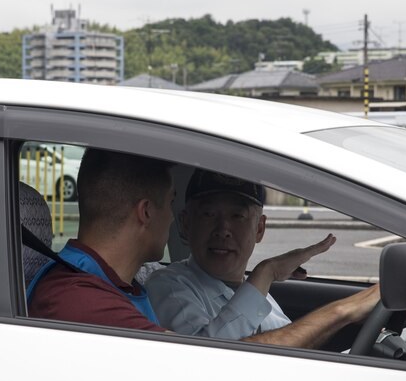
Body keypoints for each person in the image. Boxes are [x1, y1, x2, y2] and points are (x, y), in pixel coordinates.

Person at [145, 169, 379, 349]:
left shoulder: (257, 295)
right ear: (186, 224)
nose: (223, 229)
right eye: (209, 214)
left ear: (259, 228)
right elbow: (209, 359)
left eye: (237, 216)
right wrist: (267, 272)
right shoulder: (168, 286)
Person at [27, 148, 174, 331]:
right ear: (146, 212)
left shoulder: (103, 283)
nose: (172, 217)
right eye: (171, 203)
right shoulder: (80, 300)